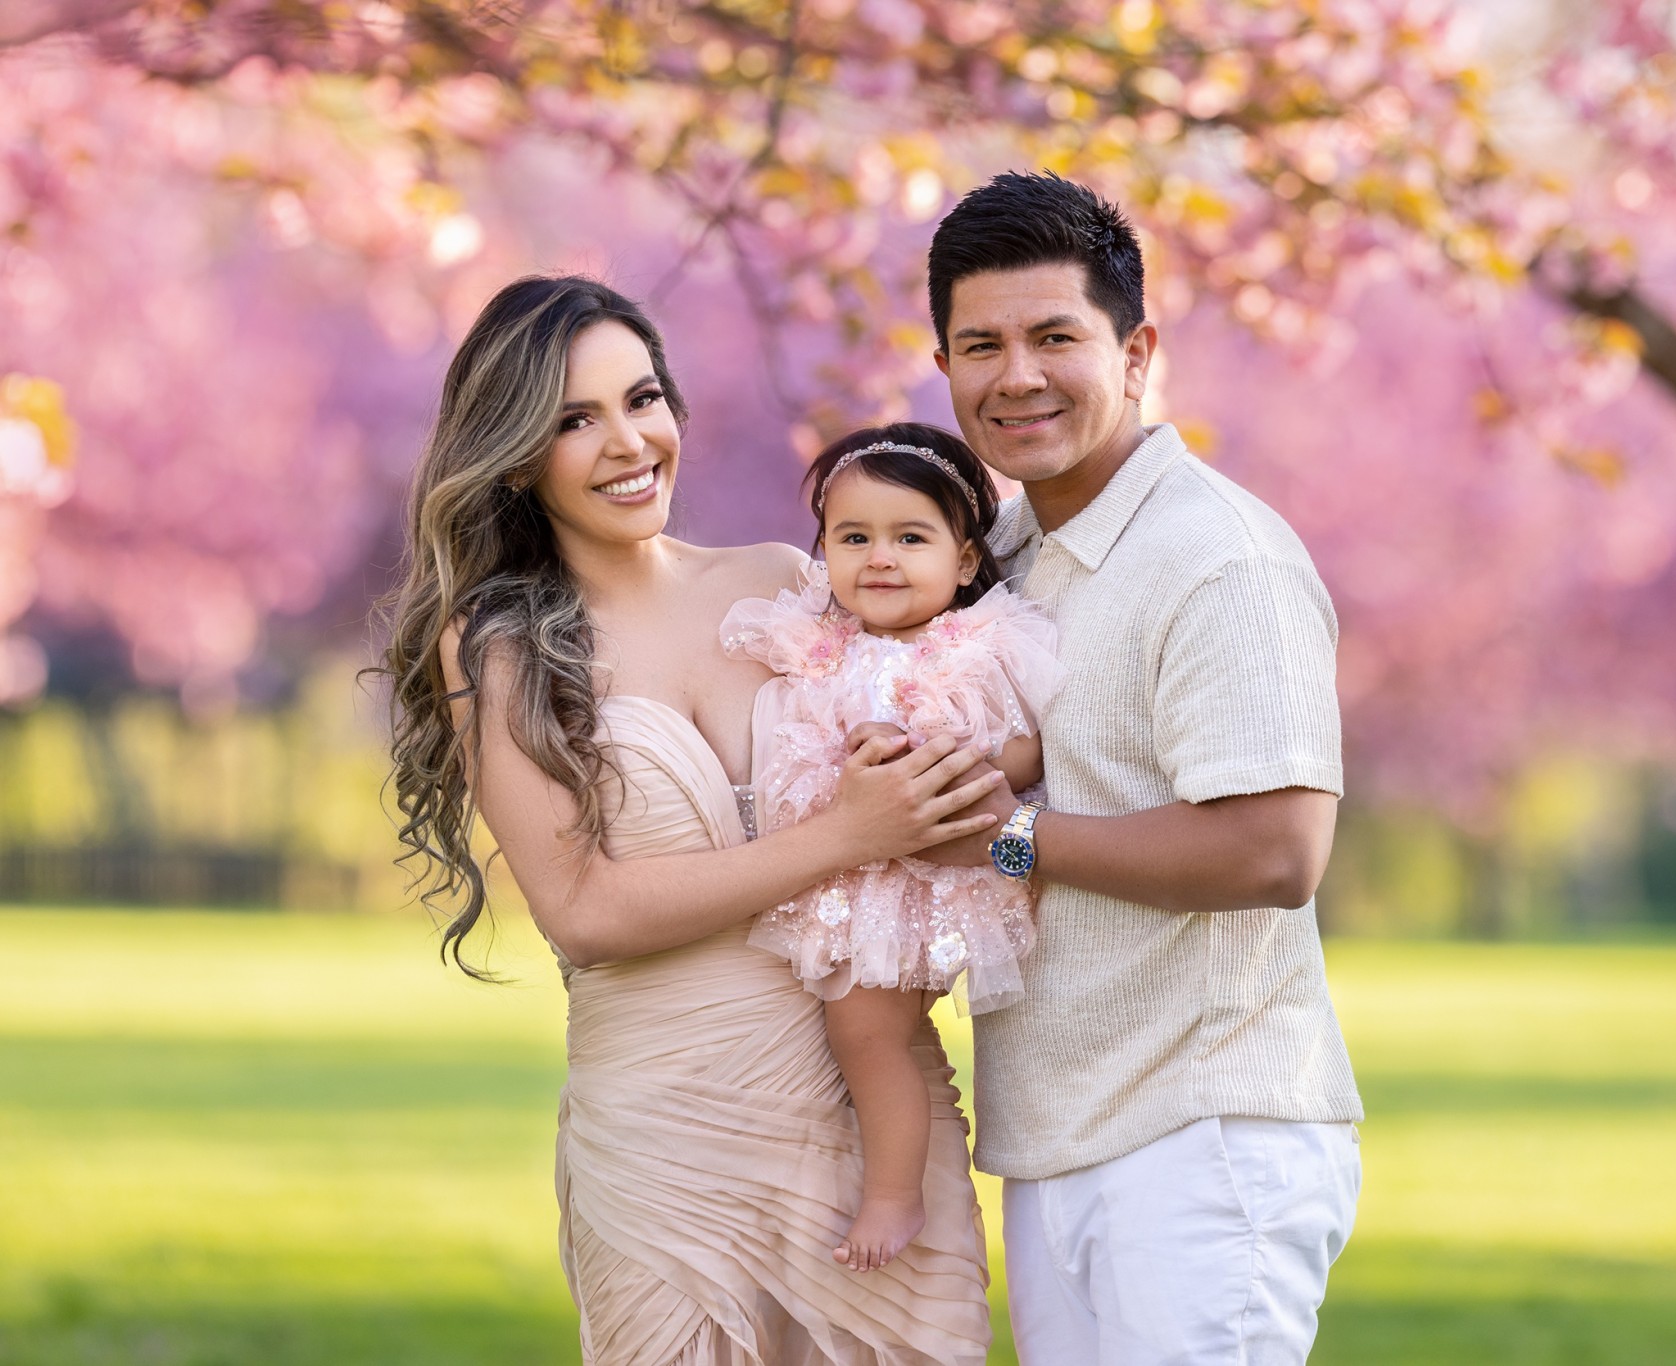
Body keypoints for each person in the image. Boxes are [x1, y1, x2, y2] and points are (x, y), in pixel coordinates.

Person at [378, 275, 999, 1365]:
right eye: (575, 419)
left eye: (642, 397)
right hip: (669, 1135)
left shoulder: (784, 583)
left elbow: (948, 698)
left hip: (866, 1116)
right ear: (518, 452)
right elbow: (582, 911)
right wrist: (843, 837)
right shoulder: (502, 644)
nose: (628, 442)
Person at [924, 172, 1366, 1364]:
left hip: (1202, 1138)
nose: (1015, 375)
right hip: (1054, 1132)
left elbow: (1273, 850)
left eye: (1054, 336)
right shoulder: (1003, 554)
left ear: (1135, 353)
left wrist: (1000, 835)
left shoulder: (1217, 558)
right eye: (981, 345)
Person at [722, 421, 1063, 1273]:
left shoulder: (981, 644)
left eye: (910, 537)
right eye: (854, 537)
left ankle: (894, 1194)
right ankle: (889, 1182)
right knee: (861, 1036)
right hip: (859, 877)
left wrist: (943, 753)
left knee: (867, 1038)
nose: (880, 557)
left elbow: (1026, 746)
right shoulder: (824, 644)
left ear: (965, 560)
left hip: (933, 878)